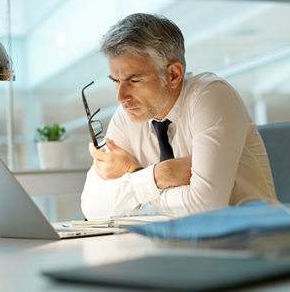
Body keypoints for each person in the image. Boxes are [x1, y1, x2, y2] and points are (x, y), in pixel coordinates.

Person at [81, 13, 276, 220]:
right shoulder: (126, 117)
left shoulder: (211, 96)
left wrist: (134, 173)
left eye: (134, 80)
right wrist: (159, 175)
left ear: (173, 75)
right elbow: (92, 207)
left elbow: (206, 208)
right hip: (168, 246)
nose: (121, 97)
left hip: (247, 242)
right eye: (116, 81)